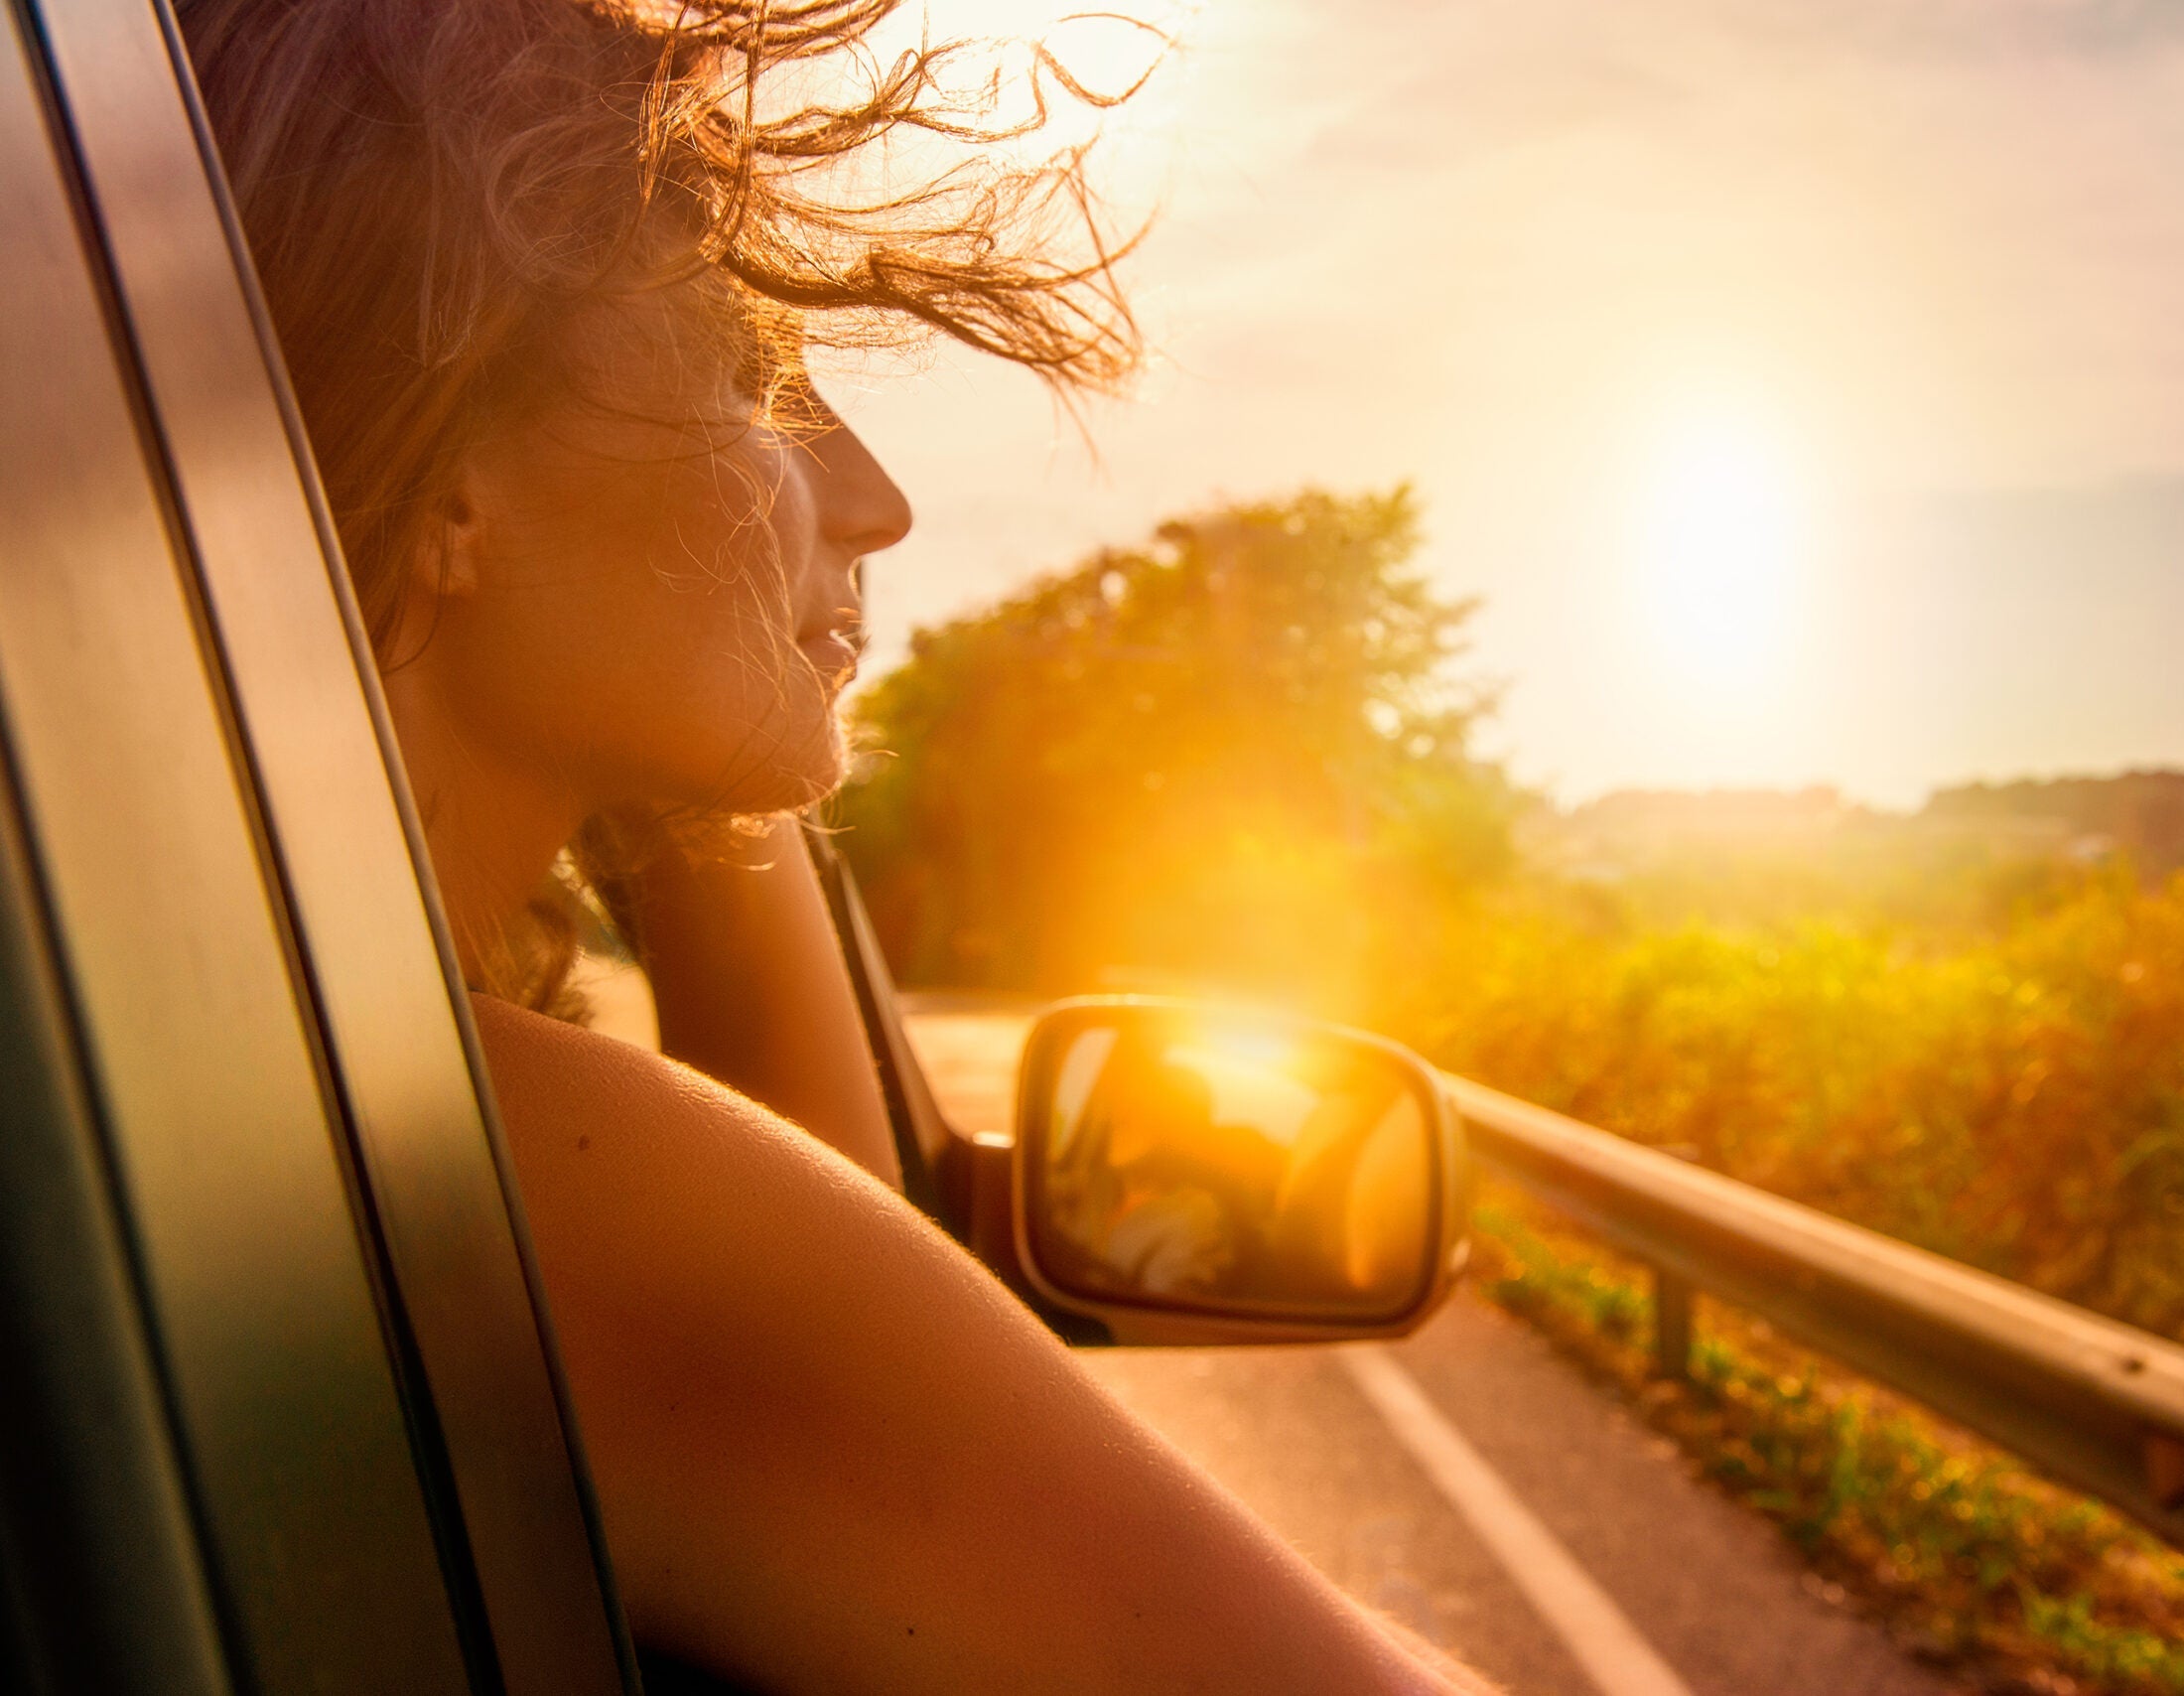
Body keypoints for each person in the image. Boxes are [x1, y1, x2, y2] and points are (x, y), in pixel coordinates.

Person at [176, 0, 1498, 1690]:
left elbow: (817, 1248)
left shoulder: (264, 1077)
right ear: (447, 488)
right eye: (748, 372)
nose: (874, 502)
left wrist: (683, 761)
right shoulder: (507, 1178)